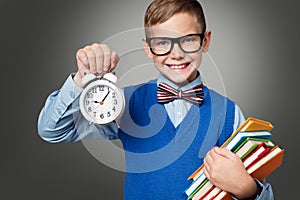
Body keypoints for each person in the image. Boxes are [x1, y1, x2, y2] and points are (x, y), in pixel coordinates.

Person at [37, 0, 274, 199]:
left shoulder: (230, 113)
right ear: (148, 48)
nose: (177, 53)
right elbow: (53, 130)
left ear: (206, 40)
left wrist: (247, 189)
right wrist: (82, 79)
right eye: (162, 43)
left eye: (189, 40)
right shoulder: (124, 102)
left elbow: (261, 189)